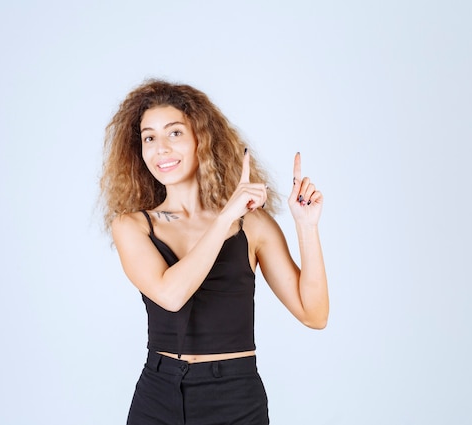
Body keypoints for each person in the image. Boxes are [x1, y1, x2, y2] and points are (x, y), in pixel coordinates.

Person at [99, 79, 328, 425]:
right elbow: (171, 295)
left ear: (200, 139)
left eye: (174, 133)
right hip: (160, 394)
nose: (160, 148)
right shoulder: (132, 226)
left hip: (236, 396)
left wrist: (306, 226)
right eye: (149, 137)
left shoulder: (253, 226)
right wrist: (224, 218)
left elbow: (315, 315)